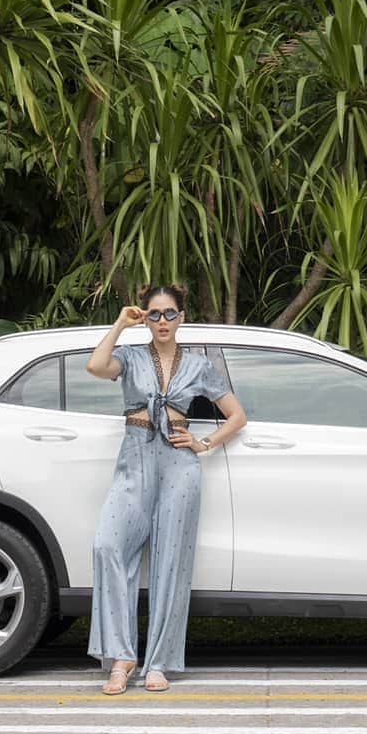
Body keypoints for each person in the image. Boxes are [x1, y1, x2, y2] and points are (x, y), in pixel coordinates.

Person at [84, 282, 247, 694]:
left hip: (179, 464)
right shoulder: (130, 357)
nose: (162, 321)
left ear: (181, 318)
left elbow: (237, 416)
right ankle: (122, 657)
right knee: (108, 545)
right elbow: (94, 366)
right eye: (153, 314)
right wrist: (120, 324)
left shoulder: (198, 367)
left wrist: (203, 443)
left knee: (171, 562)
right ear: (145, 318)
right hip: (135, 456)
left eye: (169, 314)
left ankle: (159, 662)